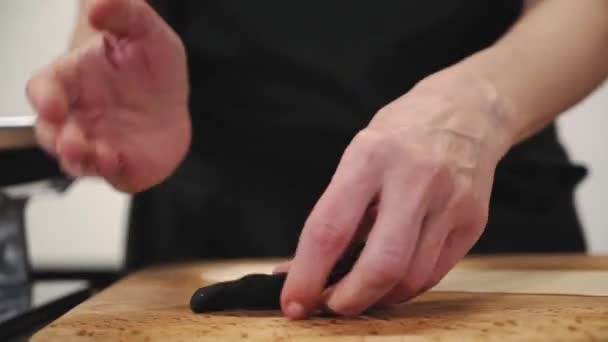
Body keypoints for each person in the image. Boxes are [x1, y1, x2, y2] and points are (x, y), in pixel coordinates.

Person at [25, 0, 608, 319]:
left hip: (488, 252)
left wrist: (479, 109)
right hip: (202, 245)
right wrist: (104, 68)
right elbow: (112, 14)